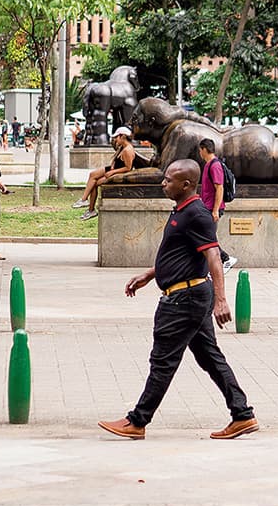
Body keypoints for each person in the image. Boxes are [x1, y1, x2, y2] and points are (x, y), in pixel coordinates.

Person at [97, 159, 258, 441]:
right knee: (210, 358)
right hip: (189, 295)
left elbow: (214, 258)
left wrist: (222, 300)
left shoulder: (197, 214)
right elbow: (181, 255)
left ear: (186, 185)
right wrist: (150, 274)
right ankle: (243, 415)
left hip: (184, 300)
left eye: (169, 180)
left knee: (163, 361)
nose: (163, 183)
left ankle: (137, 421)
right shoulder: (182, 211)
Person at [75, 126, 136, 220]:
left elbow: (128, 168)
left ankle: (90, 209)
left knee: (94, 183)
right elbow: (117, 160)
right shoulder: (123, 147)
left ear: (122, 136)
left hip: (117, 172)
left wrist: (112, 172)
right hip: (113, 169)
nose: (115, 139)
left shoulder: (128, 150)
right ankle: (84, 200)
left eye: (116, 137)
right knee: (92, 175)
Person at [197, 138, 237, 271]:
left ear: (203, 149)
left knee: (207, 239)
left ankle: (226, 259)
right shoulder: (209, 165)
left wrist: (215, 210)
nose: (200, 153)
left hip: (212, 209)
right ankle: (207, 268)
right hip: (207, 207)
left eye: (200, 150)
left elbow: (220, 188)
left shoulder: (215, 165)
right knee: (206, 237)